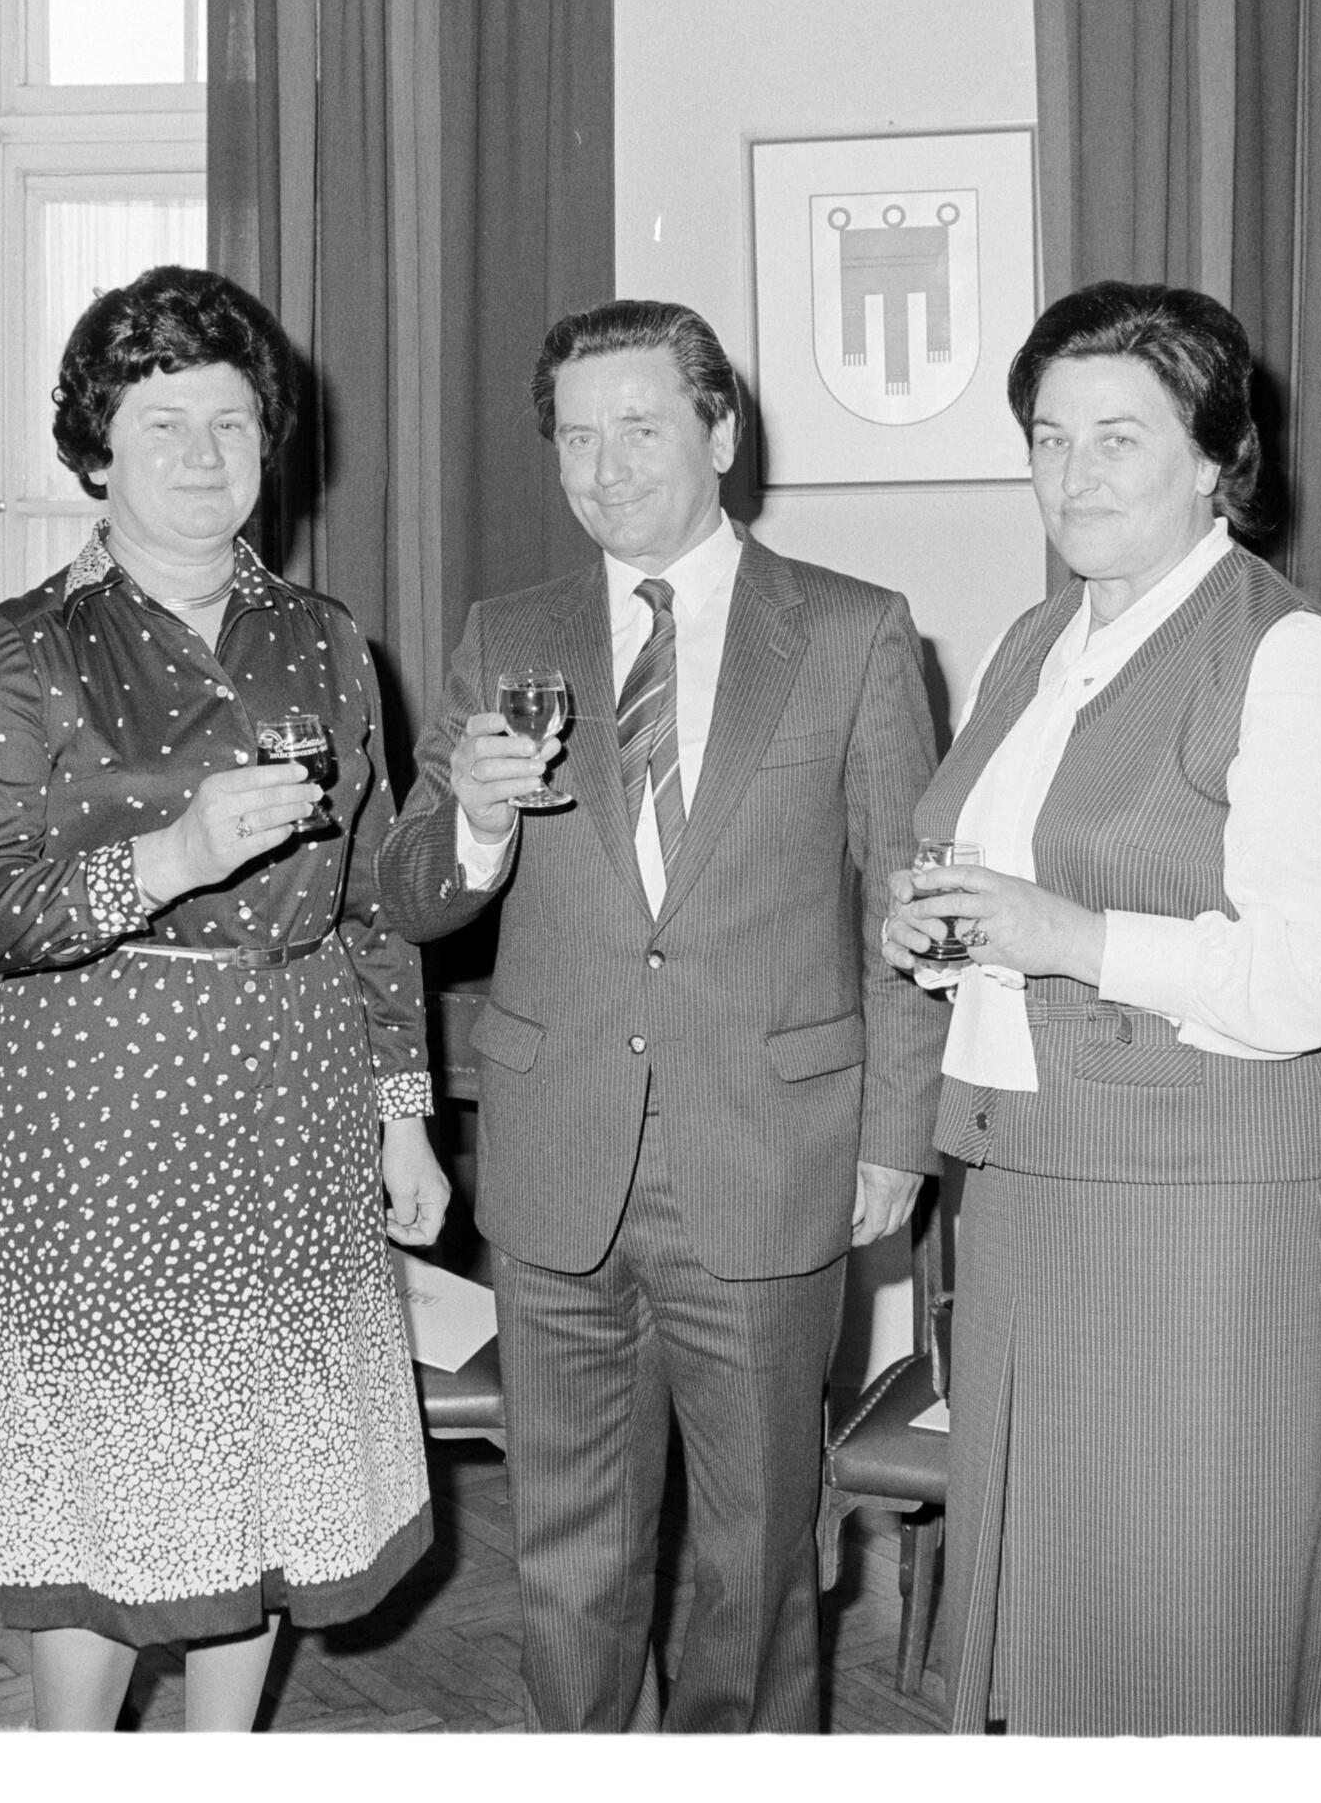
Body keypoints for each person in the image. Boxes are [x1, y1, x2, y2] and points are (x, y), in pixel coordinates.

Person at [377, 298, 942, 1732]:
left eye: (640, 427)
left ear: (721, 432)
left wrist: (897, 1136)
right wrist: (478, 824)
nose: (606, 467)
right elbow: (411, 895)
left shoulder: (855, 632)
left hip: (766, 1155)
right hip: (558, 1161)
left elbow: (906, 907)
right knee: (567, 1568)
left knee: (757, 1565)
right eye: (577, 438)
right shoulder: (508, 632)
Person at [0, 265, 446, 1732]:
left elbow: (369, 897)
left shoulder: (327, 638)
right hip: (116, 1109)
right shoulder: (24, 644)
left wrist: (404, 1115)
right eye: (164, 425)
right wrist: (167, 857)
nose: (206, 456)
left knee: (266, 1470)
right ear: (97, 452)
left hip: (300, 1096)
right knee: (119, 1486)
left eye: (232, 423)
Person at [882, 281, 1321, 1735]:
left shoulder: (1289, 659)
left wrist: (1070, 935)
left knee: (1185, 1620)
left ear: (1216, 456)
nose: (1075, 475)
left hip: (1205, 1211)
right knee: (1065, 1615)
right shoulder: (1037, 642)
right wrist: (942, 933)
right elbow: (1018, 890)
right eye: (1049, 440)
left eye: (1120, 437)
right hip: (1035, 1179)